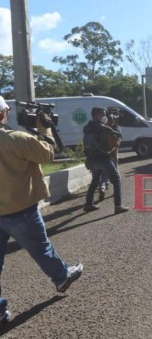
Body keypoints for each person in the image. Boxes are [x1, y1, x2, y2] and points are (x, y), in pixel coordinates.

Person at [0, 96, 84, 326]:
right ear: (3, 114)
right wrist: (44, 128)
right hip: (20, 210)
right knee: (41, 248)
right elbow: (48, 153)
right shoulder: (16, 139)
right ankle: (61, 277)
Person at [83, 107, 129, 214]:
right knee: (116, 180)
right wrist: (113, 123)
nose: (105, 117)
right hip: (103, 159)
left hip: (92, 159)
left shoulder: (87, 127)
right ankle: (118, 206)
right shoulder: (103, 128)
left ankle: (88, 204)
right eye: (103, 115)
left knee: (95, 181)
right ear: (97, 115)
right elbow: (118, 136)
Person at [97, 113, 121, 202]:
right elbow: (119, 137)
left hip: (104, 153)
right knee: (116, 173)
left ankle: (102, 187)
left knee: (105, 172)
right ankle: (116, 192)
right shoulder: (114, 128)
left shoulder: (102, 128)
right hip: (113, 153)